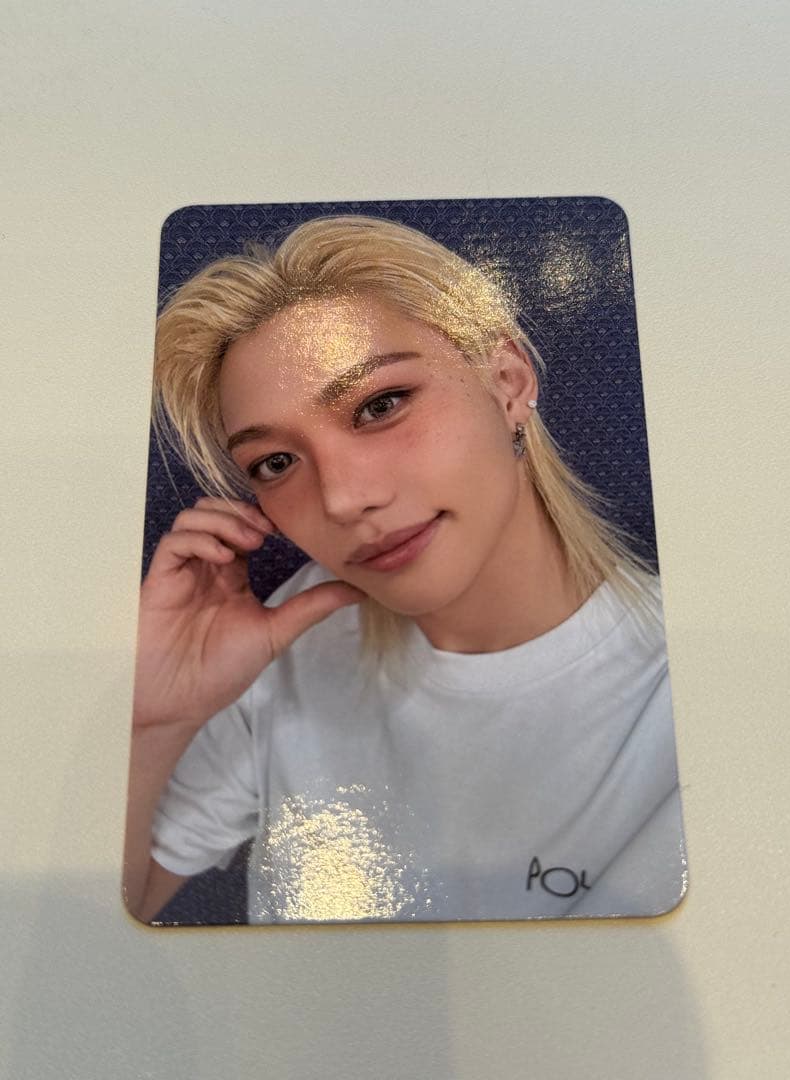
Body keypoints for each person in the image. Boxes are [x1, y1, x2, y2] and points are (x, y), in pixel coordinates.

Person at [124, 214, 686, 925]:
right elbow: (114, 910)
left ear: (508, 382)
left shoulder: (693, 699)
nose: (341, 499)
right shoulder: (281, 645)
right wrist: (159, 719)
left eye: (379, 406)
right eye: (276, 463)